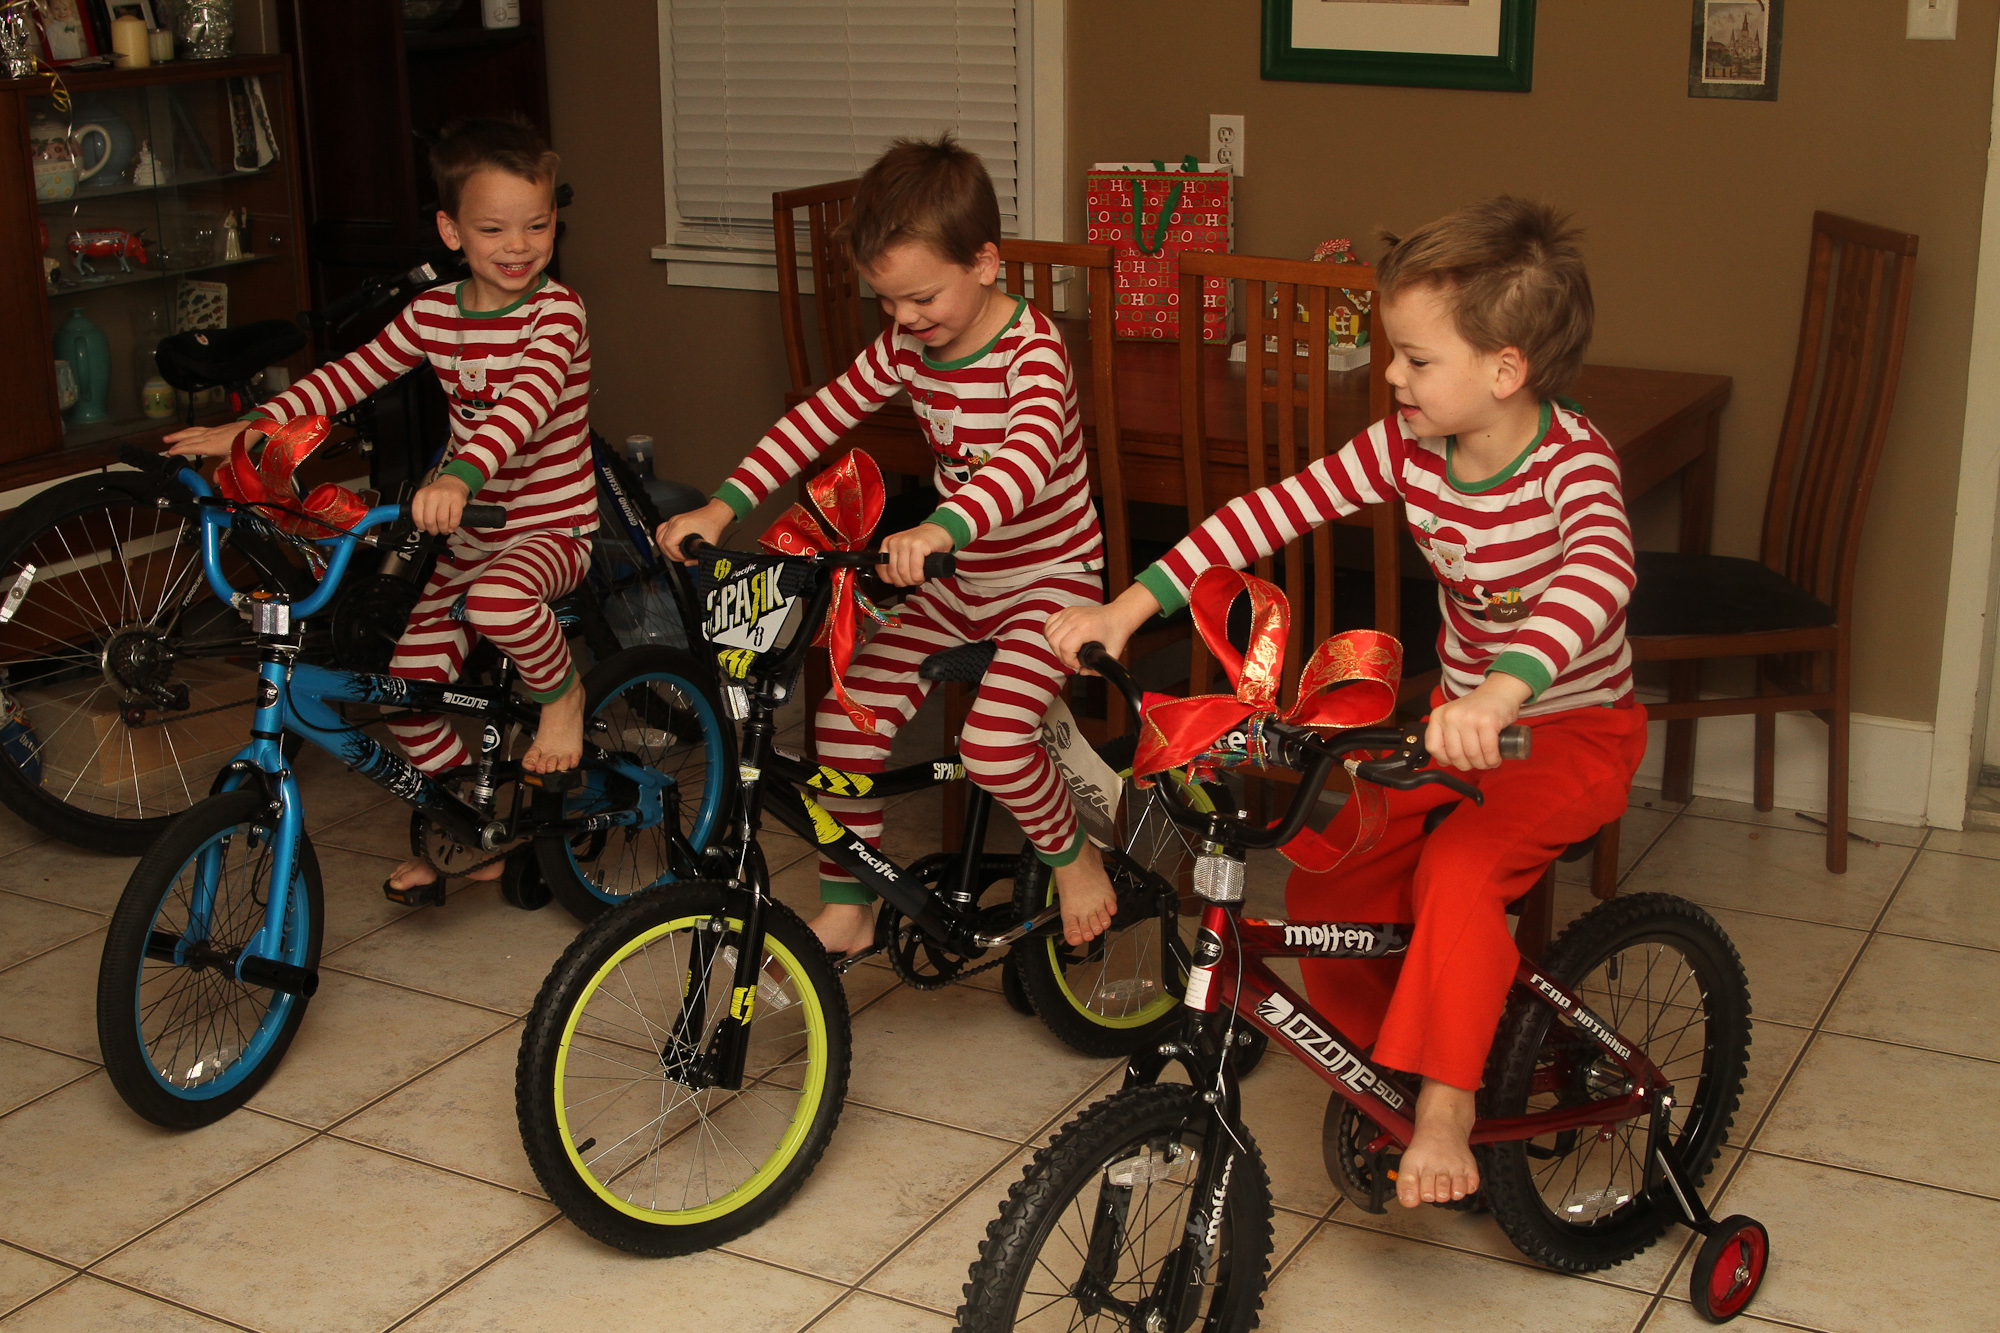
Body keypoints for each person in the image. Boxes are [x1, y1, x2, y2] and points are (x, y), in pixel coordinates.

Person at [1046, 197, 1645, 1212]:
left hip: (1568, 732)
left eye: (1416, 359)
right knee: (1329, 877)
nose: (1393, 377)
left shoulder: (1570, 464)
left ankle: (1447, 1103)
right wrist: (1127, 607)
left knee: (1458, 871)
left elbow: (1598, 576)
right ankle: (1392, 1069)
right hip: (1458, 725)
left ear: (1504, 370)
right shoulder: (1408, 445)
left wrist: (1502, 689)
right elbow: (1266, 512)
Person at [658, 134, 1118, 955]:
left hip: (1053, 584)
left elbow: (1022, 462)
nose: (904, 319)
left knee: (993, 742)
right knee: (843, 720)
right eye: (887, 301)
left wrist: (941, 525)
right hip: (960, 580)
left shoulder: (1033, 355)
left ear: (985, 262)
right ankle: (851, 903)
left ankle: (1074, 857)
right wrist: (724, 507)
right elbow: (816, 419)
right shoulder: (908, 345)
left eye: (921, 297)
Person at [165, 116, 596, 900]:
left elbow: (522, 408)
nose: (518, 245)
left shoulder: (556, 313)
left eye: (537, 225)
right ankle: (467, 825)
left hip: (550, 528)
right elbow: (348, 376)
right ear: (451, 230)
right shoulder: (433, 314)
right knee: (404, 689)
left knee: (500, 602)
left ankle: (562, 694)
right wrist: (253, 427)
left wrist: (458, 476)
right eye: (493, 228)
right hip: (468, 539)